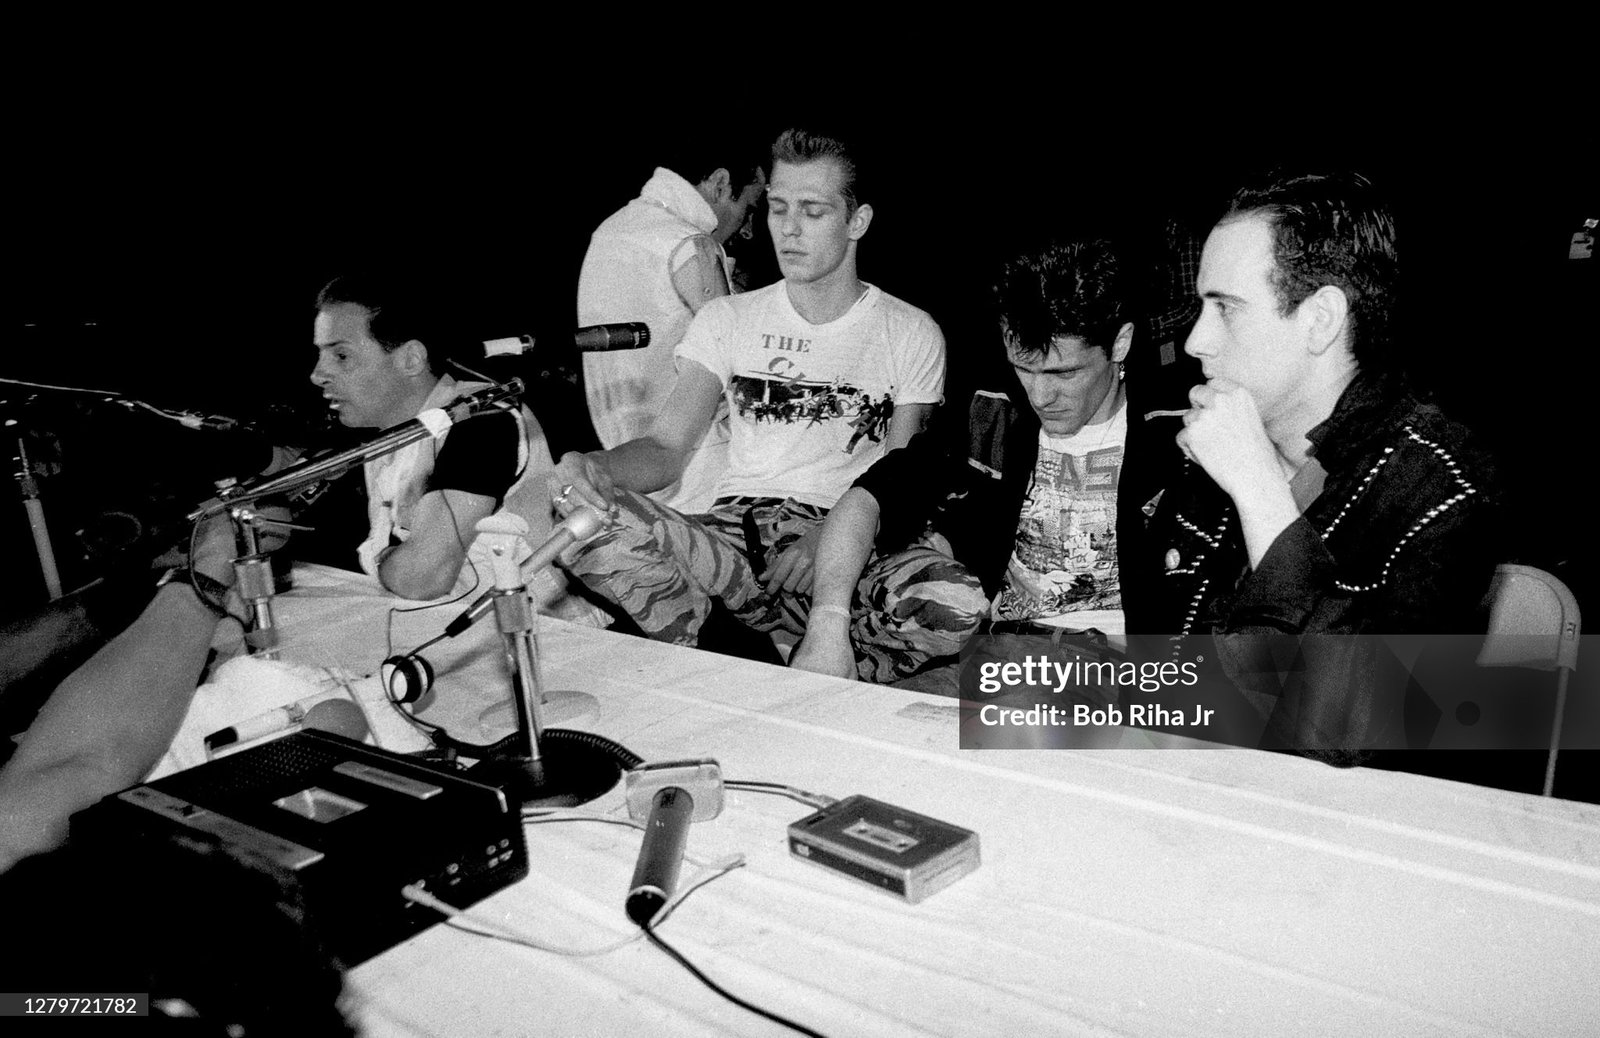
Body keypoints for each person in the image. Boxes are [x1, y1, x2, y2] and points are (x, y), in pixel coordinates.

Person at [553, 127, 968, 675]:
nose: (788, 229)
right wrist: (593, 467)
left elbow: (899, 476)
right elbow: (666, 449)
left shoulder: (909, 329)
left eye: (813, 211)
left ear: (857, 221)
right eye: (777, 208)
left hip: (846, 542)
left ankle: (808, 657)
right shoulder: (727, 317)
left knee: (953, 603)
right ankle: (739, 658)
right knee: (583, 517)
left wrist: (827, 539)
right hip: (735, 538)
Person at [1149, 170, 1499, 758]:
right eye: (1200, 306)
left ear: (1320, 320)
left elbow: (1352, 733)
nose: (1195, 341)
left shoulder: (1439, 486)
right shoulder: (1206, 454)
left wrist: (1260, 493)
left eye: (1226, 308)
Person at [790, 239, 1187, 683]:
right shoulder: (993, 415)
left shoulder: (1180, 436)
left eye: (1064, 373)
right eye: (1024, 369)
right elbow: (870, 496)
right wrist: (827, 625)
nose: (1041, 396)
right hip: (995, 663)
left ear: (1120, 344)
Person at [309, 272, 564, 603]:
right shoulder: (385, 436)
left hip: (550, 627)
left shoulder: (483, 422)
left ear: (411, 359)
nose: (317, 375)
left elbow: (421, 578)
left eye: (341, 355)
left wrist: (382, 557)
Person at [578, 140, 767, 514]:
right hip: (699, 468)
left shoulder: (610, 231)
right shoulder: (689, 244)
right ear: (720, 183)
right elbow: (742, 371)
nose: (747, 229)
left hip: (627, 463)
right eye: (748, 208)